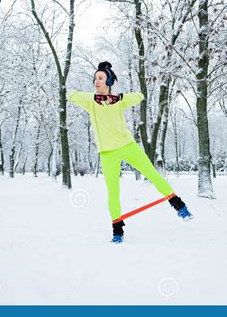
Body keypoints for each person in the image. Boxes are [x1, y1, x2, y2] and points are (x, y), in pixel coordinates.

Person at [67, 61, 193, 244]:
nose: (96, 81)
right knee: (113, 192)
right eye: (95, 78)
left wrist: (119, 96)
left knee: (152, 173)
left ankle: (179, 205)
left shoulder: (120, 100)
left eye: (101, 78)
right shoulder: (90, 101)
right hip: (108, 153)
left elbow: (140, 95)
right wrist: (87, 96)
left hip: (128, 146)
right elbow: (70, 94)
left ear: (109, 81)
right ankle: (117, 231)